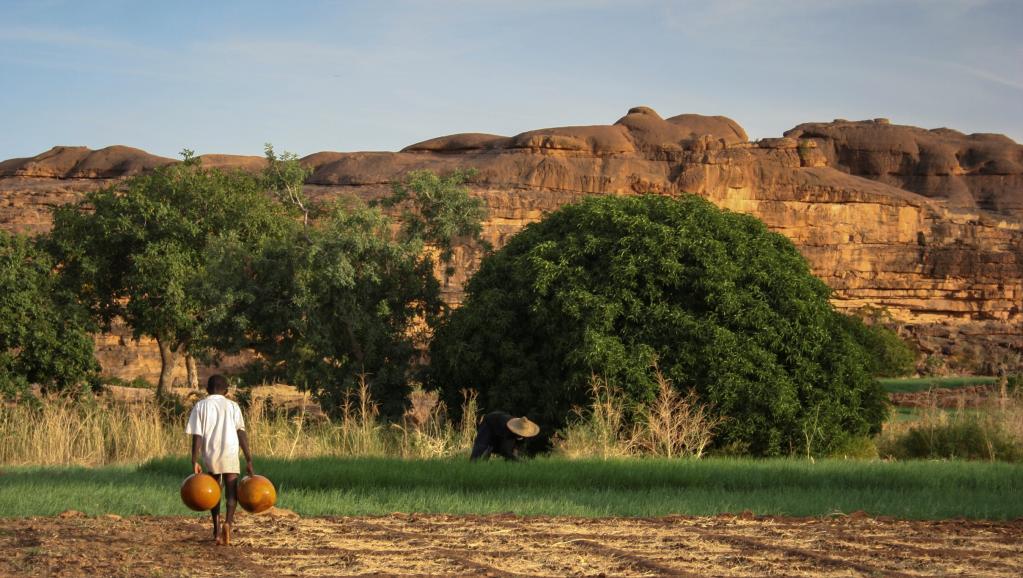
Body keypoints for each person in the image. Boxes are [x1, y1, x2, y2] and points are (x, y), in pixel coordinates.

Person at [185, 374, 254, 545]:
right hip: (230, 451)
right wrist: (249, 459)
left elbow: (197, 435)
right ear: (227, 391)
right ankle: (228, 524)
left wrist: (194, 460)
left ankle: (216, 530)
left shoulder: (201, 406)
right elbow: (241, 433)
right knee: (232, 491)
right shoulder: (233, 406)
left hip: (211, 452)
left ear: (207, 390)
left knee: (214, 490)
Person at [469, 411, 540, 461]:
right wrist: (517, 460)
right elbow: (504, 451)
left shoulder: (523, 434)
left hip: (500, 424)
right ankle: (473, 465)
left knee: (510, 452)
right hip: (489, 422)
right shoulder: (509, 429)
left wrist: (515, 455)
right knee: (483, 445)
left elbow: (516, 446)